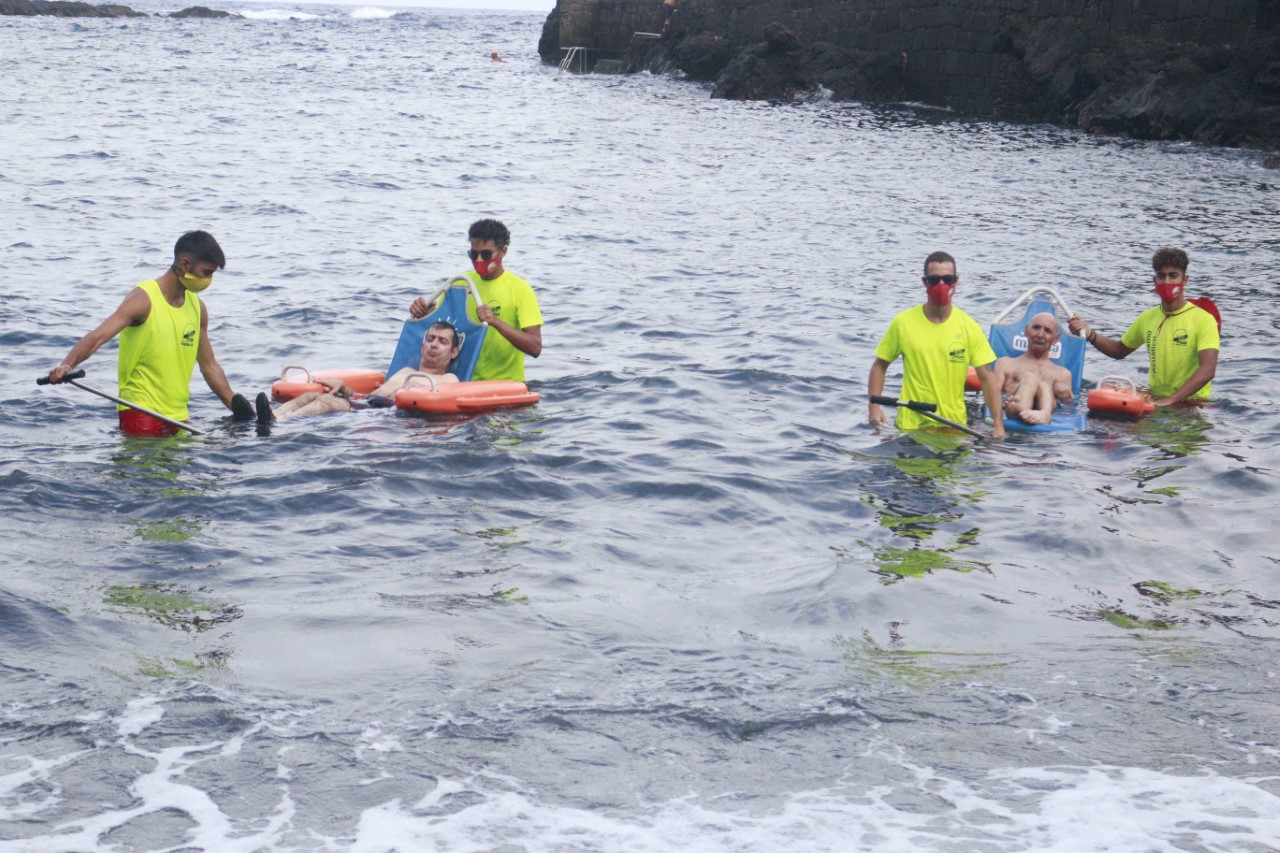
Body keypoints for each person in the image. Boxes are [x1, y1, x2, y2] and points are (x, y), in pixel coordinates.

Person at [46, 230, 251, 437]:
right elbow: (97, 337)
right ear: (185, 265)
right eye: (206, 273)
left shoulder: (198, 309)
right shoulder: (143, 299)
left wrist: (236, 405)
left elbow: (209, 365)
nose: (209, 280)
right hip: (140, 413)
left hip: (179, 416)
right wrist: (68, 364)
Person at [868, 252, 1005, 439]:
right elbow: (879, 365)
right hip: (911, 427)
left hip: (953, 427)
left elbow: (988, 378)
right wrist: (874, 407)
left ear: (956, 281)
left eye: (948, 279)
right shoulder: (903, 323)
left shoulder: (969, 327)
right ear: (925, 282)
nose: (941, 285)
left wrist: (998, 424)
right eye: (934, 280)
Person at [1068, 247, 1219, 406]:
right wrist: (1089, 333)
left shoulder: (1204, 320)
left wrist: (1170, 400)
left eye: (1173, 276)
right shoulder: (1147, 318)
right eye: (1161, 276)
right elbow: (1119, 350)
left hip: (1191, 405)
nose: (1166, 282)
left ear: (1185, 280)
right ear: (1155, 281)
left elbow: (1207, 370)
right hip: (1156, 401)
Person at [408, 219, 542, 382]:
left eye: (486, 254)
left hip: (504, 385)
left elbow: (535, 347)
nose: (478, 260)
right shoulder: (460, 284)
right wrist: (422, 313)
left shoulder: (521, 289)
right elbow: (440, 325)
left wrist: (495, 321)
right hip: (461, 382)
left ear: (503, 252)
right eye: (473, 254)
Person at [257, 321, 461, 422]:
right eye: (430, 339)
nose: (434, 344)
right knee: (311, 395)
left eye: (442, 341)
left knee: (327, 401)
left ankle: (279, 424)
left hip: (384, 415)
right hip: (366, 404)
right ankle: (267, 416)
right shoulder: (405, 370)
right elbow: (371, 397)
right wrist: (347, 390)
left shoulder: (448, 378)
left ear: (454, 352)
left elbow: (434, 398)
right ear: (422, 345)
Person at [993, 311, 1074, 425]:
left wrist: (1063, 394)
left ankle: (1043, 414)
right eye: (1036, 328)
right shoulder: (1004, 363)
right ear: (1026, 331)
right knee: (1030, 378)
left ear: (1056, 338)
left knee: (1044, 384)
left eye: (1047, 331)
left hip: (1047, 418)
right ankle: (1019, 408)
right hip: (1011, 409)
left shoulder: (1063, 374)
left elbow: (1068, 410)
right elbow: (992, 394)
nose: (1040, 335)